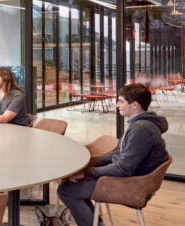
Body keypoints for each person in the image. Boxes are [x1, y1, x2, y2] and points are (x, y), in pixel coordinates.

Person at [57, 83, 169, 226]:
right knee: (73, 185)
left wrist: (87, 172)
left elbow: (123, 169)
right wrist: (92, 161)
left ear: (135, 105)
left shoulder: (141, 130)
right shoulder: (141, 124)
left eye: (121, 101)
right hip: (132, 177)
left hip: (132, 185)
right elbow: (119, 154)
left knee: (66, 190)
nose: (117, 104)